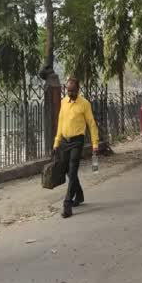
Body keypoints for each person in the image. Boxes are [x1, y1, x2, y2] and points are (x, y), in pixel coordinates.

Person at [54, 78, 99, 218]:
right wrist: (56, 142)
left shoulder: (84, 104)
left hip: (77, 141)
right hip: (64, 142)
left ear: (78, 90)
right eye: (68, 90)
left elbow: (91, 124)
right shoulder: (63, 102)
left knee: (73, 171)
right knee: (68, 171)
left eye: (73, 90)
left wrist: (95, 143)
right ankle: (79, 195)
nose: (70, 93)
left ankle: (67, 204)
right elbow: (60, 123)